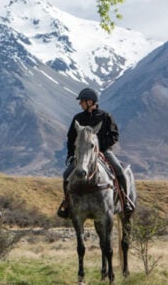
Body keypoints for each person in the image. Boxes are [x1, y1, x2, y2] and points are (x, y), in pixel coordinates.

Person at [57, 88, 135, 218]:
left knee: (120, 172)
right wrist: (71, 154)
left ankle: (125, 201)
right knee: (66, 175)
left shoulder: (105, 116)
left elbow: (114, 136)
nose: (79, 104)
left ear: (90, 101)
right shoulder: (78, 118)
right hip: (83, 156)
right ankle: (68, 204)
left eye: (81, 101)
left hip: (104, 152)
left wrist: (100, 148)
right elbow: (71, 138)